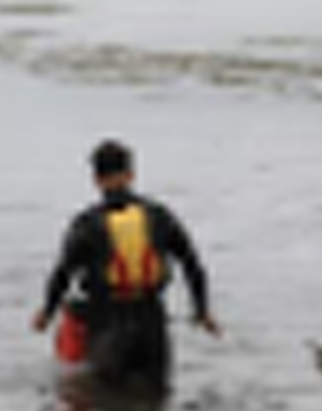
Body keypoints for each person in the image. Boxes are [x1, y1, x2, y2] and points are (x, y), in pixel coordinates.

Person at [31, 139, 217, 390]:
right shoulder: (159, 216)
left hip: (108, 324)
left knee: (107, 400)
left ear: (97, 180)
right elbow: (191, 264)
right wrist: (202, 310)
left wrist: (46, 313)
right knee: (156, 398)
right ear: (130, 175)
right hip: (152, 324)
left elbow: (63, 274)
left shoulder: (88, 223)